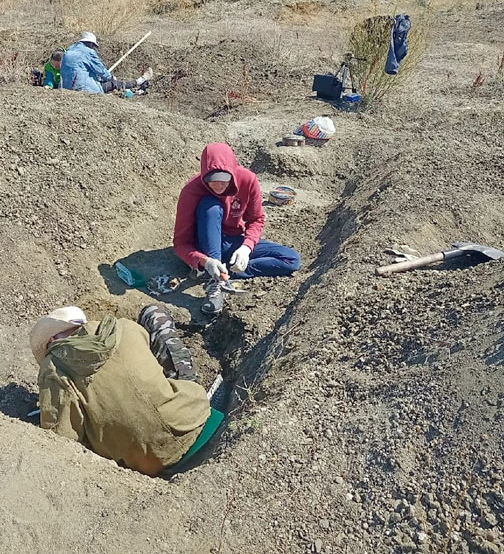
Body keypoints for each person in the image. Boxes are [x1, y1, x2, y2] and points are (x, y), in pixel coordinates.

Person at [30, 304, 213, 476]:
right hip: (194, 416)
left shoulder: (54, 366)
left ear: (52, 340)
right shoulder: (123, 326)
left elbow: (61, 439)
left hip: (149, 462)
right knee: (154, 312)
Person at [173, 142, 301, 315]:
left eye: (224, 180)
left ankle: (225, 272)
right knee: (210, 205)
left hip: (231, 241)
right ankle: (216, 281)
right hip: (205, 245)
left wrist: (246, 248)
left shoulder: (247, 180)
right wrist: (204, 260)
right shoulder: (191, 191)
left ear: (232, 174)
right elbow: (181, 243)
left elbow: (256, 219)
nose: (218, 186)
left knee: (291, 260)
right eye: (212, 181)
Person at [60, 31, 153, 94]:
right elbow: (101, 70)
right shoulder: (88, 52)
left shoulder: (68, 50)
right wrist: (111, 77)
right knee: (113, 84)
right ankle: (139, 81)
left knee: (103, 82)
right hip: (83, 88)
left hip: (65, 87)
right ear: (91, 44)